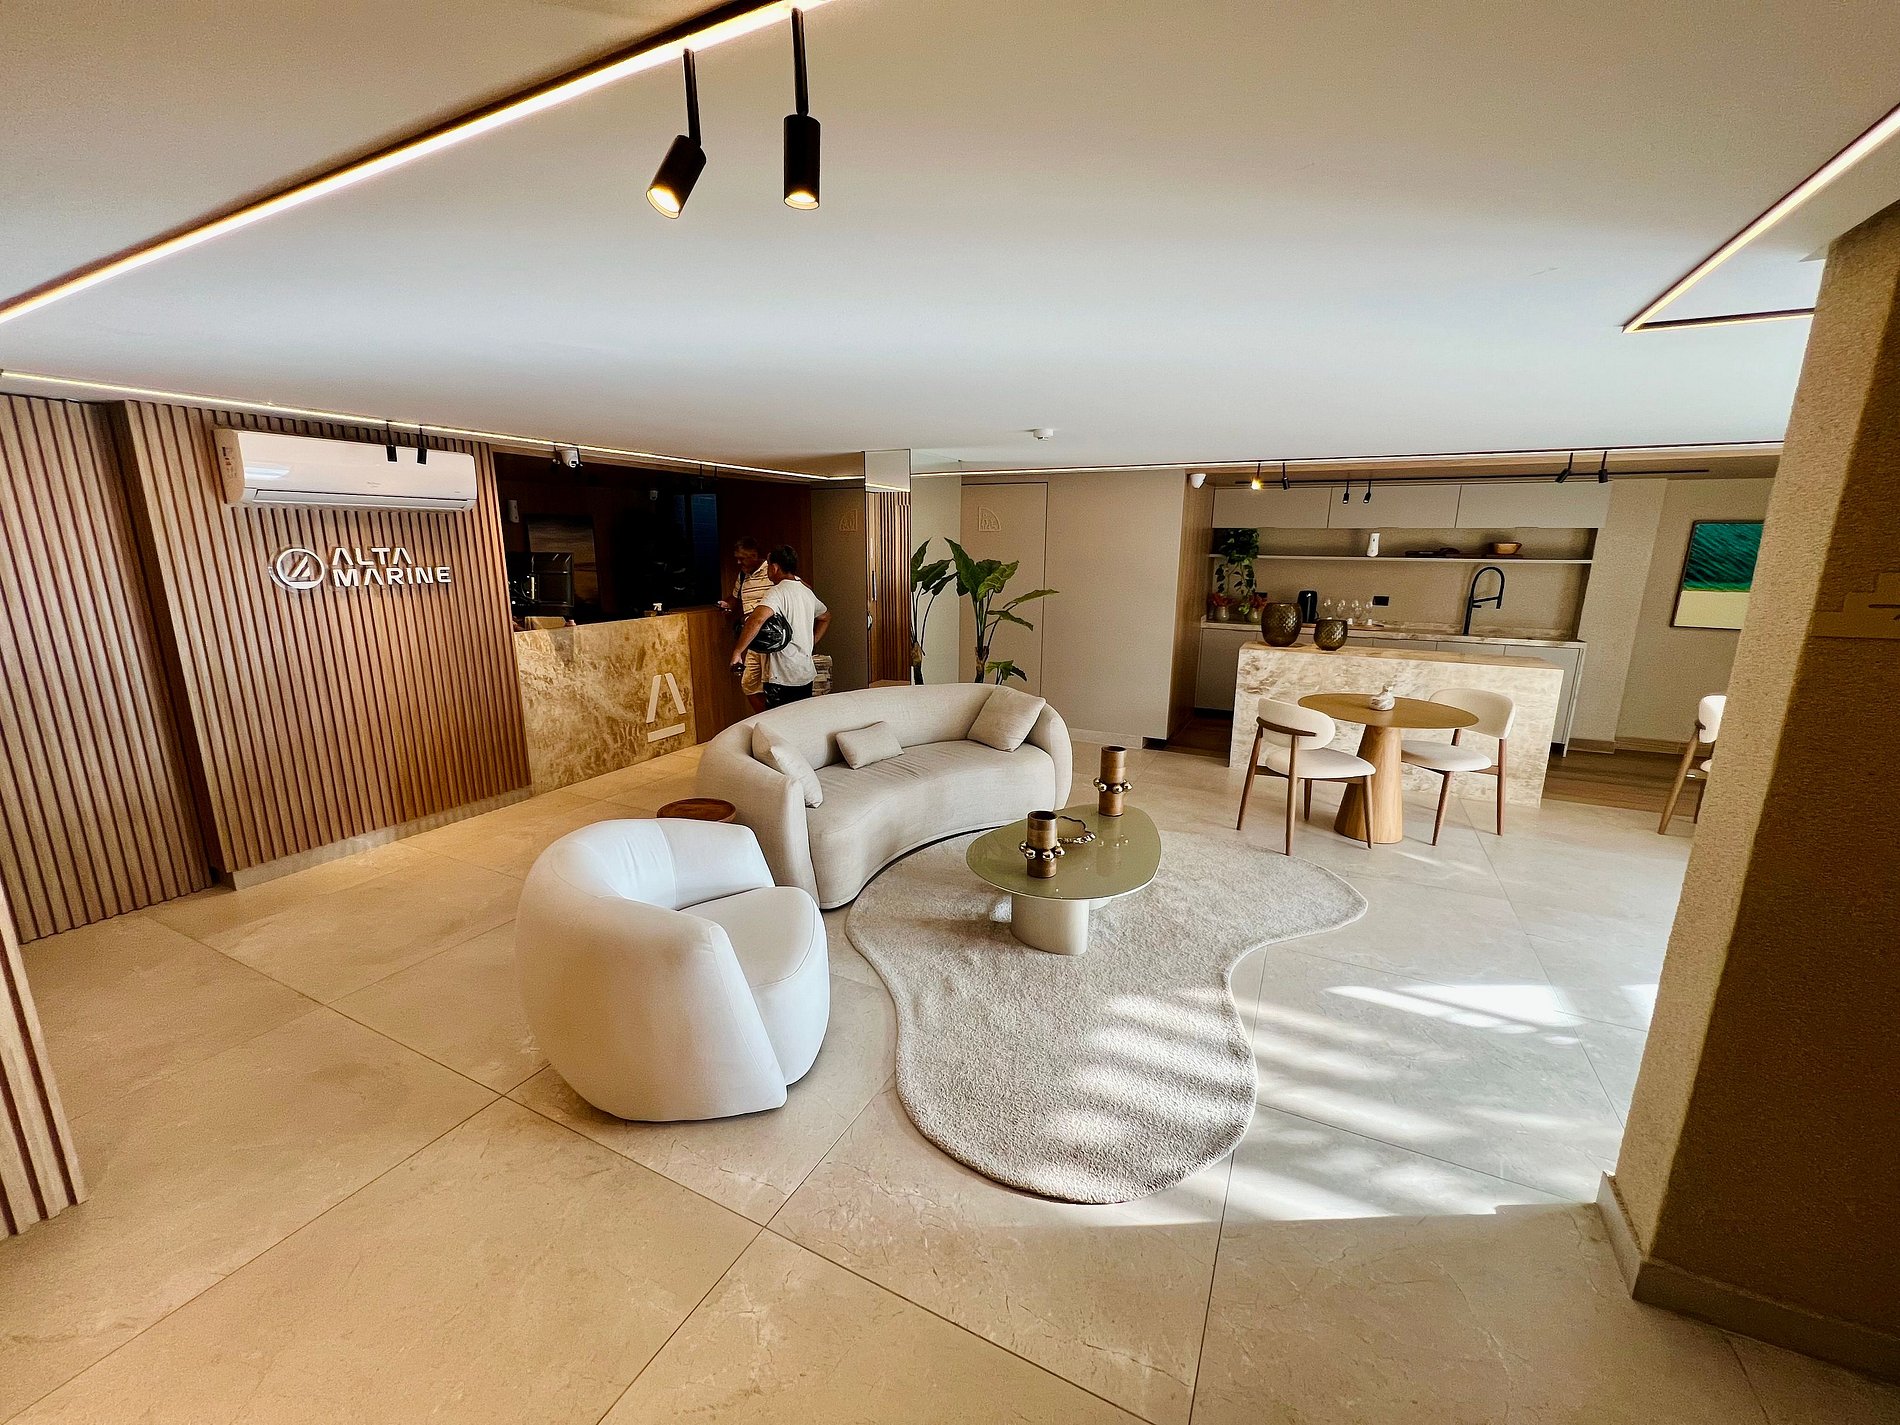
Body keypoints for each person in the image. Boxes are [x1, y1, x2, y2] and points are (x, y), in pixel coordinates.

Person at [729, 545, 829, 708]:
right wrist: (812, 642)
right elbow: (825, 617)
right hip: (805, 673)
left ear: (775, 568)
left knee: (779, 719)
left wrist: (738, 651)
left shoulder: (776, 592)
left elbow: (757, 620)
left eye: (769, 566)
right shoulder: (806, 592)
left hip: (783, 676)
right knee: (801, 716)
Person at [718, 537, 775, 712]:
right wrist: (727, 605)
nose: (738, 562)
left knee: (772, 686)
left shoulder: (772, 571)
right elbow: (735, 598)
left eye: (742, 558)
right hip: (752, 639)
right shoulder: (743, 575)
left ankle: (773, 720)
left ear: (754, 555)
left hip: (771, 638)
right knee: (749, 684)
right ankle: (764, 717)